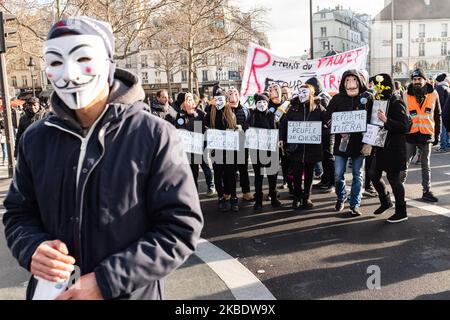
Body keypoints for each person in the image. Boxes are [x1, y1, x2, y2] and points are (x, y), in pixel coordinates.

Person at [3, 16, 203, 300]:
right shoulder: (35, 139)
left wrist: (106, 280)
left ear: (108, 61)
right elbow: (18, 213)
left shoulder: (155, 135)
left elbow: (181, 227)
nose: (69, 75)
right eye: (56, 62)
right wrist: (32, 247)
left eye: (82, 57)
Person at [328, 70, 373, 216]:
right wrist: (337, 127)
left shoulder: (368, 98)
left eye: (354, 80)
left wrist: (369, 138)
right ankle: (341, 197)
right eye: (347, 80)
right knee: (338, 174)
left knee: (357, 174)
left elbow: (374, 119)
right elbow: (327, 117)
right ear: (343, 82)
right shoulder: (336, 99)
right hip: (341, 144)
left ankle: (354, 204)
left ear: (359, 81)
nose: (351, 83)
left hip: (359, 144)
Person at [368, 74, 410, 223]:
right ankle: (386, 201)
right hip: (381, 145)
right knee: (373, 174)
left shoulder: (396, 102)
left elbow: (404, 126)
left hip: (394, 148)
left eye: (375, 84)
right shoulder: (379, 100)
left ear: (383, 86)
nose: (372, 87)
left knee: (394, 179)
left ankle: (401, 211)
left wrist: (387, 120)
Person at [279, 84, 326, 210]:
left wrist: (323, 131)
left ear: (311, 93)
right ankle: (297, 197)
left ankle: (307, 198)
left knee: (310, 175)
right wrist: (281, 139)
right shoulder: (293, 108)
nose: (301, 95)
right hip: (296, 148)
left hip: (312, 148)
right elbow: (284, 124)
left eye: (304, 92)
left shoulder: (318, 108)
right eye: (300, 92)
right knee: (297, 174)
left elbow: (327, 122)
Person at [400, 68, 441, 203]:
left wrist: (437, 135)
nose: (417, 81)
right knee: (404, 164)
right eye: (414, 79)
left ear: (425, 80)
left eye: (419, 79)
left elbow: (437, 115)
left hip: (426, 135)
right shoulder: (405, 94)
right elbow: (401, 115)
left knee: (425, 165)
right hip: (410, 134)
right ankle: (399, 189)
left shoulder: (434, 93)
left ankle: (426, 191)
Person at [205, 85, 240, 212]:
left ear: (225, 101)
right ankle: (221, 197)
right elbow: (204, 126)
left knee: (231, 175)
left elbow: (236, 129)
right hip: (217, 150)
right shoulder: (210, 114)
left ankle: (233, 197)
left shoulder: (231, 114)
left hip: (230, 150)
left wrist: (238, 130)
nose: (219, 102)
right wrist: (210, 105)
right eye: (217, 99)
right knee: (218, 175)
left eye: (221, 99)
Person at [249, 93, 282, 210]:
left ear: (267, 104)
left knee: (272, 177)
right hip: (256, 151)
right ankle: (258, 201)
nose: (261, 104)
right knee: (258, 177)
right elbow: (246, 129)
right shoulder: (252, 116)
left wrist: (279, 141)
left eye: (264, 102)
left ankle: (274, 197)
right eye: (259, 102)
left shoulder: (273, 116)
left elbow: (279, 130)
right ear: (255, 103)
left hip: (271, 151)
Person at [307, 77, 334, 193]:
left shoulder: (323, 97)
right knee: (323, 157)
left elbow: (326, 115)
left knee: (328, 158)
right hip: (322, 132)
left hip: (326, 133)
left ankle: (331, 182)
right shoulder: (322, 96)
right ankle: (325, 179)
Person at [174, 92, 206, 189]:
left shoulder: (200, 114)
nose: (190, 101)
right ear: (182, 103)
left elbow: (205, 130)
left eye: (191, 99)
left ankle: (193, 194)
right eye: (187, 99)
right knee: (183, 174)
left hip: (195, 150)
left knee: (194, 174)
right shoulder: (176, 115)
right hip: (182, 151)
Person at [227, 87, 254, 202]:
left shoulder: (245, 109)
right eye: (230, 94)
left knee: (243, 169)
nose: (233, 96)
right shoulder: (223, 109)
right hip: (228, 145)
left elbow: (249, 123)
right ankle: (227, 192)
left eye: (235, 93)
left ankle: (246, 192)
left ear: (239, 96)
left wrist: (243, 128)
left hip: (242, 144)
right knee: (229, 170)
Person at [434, 73, 450, 152]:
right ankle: (447, 144)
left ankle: (443, 146)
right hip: (447, 111)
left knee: (443, 129)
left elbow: (439, 101)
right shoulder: (447, 87)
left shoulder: (439, 88)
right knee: (447, 129)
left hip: (443, 112)